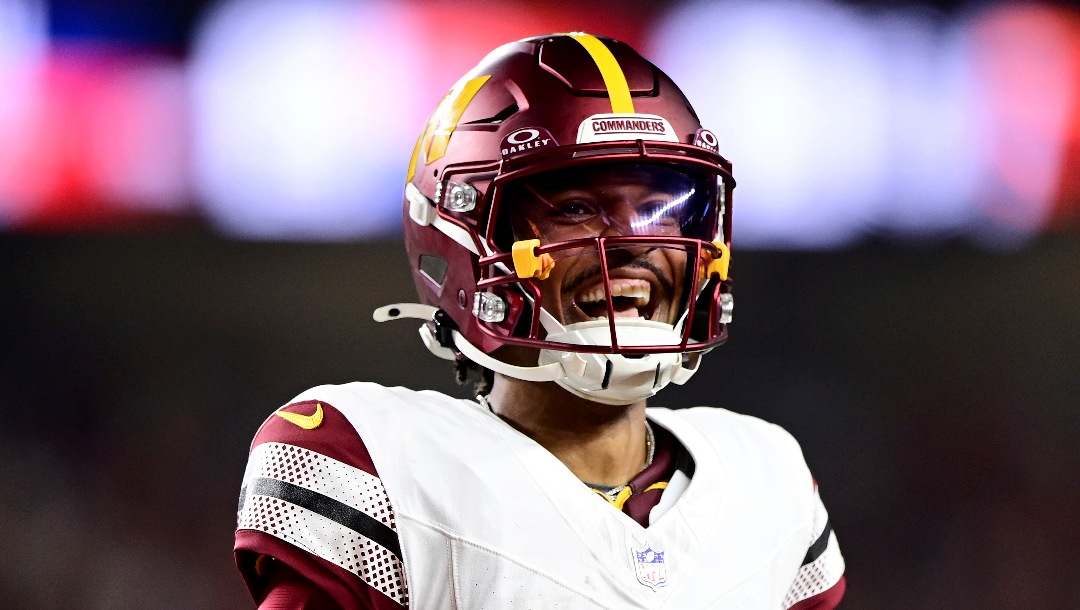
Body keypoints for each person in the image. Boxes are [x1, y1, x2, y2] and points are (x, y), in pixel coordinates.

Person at [234, 33, 846, 609]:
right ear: (471, 241)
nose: (632, 242)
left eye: (661, 208)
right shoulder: (375, 463)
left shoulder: (768, 480)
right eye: (577, 209)